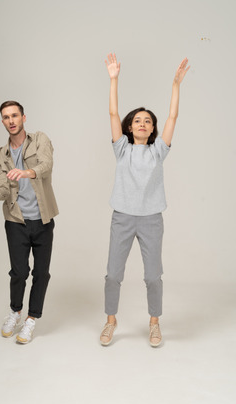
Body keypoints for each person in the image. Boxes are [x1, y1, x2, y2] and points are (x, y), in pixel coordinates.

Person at [100, 54, 190, 347]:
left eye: (147, 121)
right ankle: (111, 321)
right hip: (123, 217)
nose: (142, 123)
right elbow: (113, 114)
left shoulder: (158, 151)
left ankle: (154, 322)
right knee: (113, 274)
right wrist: (114, 80)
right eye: (137, 120)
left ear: (152, 130)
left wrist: (175, 85)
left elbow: (173, 117)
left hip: (151, 219)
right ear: (129, 128)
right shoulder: (122, 149)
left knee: (153, 276)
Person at [0, 101, 59, 344]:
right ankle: (15, 312)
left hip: (42, 218)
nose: (11, 120)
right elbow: (2, 189)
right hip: (15, 220)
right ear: (2, 122)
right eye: (6, 117)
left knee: (41, 273)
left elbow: (46, 165)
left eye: (15, 115)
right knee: (19, 272)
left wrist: (27, 173)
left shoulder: (39, 139)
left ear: (23, 117)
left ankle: (31, 319)